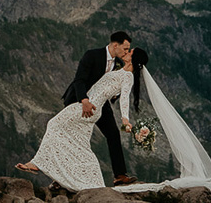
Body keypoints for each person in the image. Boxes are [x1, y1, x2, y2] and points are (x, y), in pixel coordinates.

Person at [16, 47, 149, 192]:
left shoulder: (128, 76)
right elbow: (108, 89)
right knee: (79, 144)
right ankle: (86, 180)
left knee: (54, 123)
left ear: (134, 58)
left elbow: (124, 98)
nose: (127, 52)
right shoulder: (121, 71)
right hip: (89, 106)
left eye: (130, 52)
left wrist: (125, 119)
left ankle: (38, 163)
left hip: (89, 108)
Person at [62, 30, 136, 186]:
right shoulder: (92, 55)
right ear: (115, 45)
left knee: (113, 134)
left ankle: (120, 175)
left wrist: (115, 94)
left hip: (100, 104)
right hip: (78, 100)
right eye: (125, 48)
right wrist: (84, 100)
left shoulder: (118, 63)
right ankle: (60, 180)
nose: (126, 52)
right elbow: (79, 80)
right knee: (73, 139)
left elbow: (108, 86)